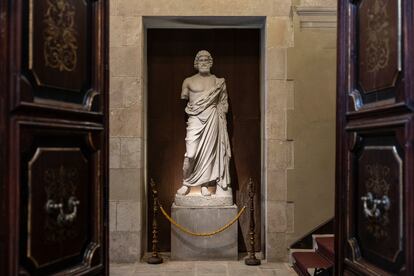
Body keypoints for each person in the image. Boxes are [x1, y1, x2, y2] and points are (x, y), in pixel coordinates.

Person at [176, 50, 232, 197]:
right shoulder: (188, 81)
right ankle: (186, 182)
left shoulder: (218, 82)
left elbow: (224, 104)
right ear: (196, 63)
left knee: (209, 154)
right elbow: (184, 97)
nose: (204, 62)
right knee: (191, 153)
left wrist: (220, 113)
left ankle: (205, 185)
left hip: (212, 119)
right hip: (195, 119)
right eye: (201, 60)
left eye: (207, 59)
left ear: (211, 62)